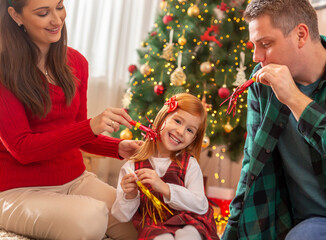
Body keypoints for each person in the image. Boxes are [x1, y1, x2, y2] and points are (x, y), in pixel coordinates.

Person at [0, 0, 142, 239]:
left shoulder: (76, 62)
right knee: (90, 217)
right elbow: (22, 148)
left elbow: (77, 135)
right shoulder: (4, 70)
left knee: (141, 220)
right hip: (17, 190)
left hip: (75, 179)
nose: (57, 20)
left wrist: (118, 147)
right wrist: (91, 126)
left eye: (59, 6)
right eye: (43, 13)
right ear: (16, 15)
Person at [222, 0, 326, 239]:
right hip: (301, 223)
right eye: (254, 45)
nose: (256, 57)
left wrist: (295, 99)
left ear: (300, 35)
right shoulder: (261, 85)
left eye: (265, 44)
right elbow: (251, 166)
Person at [111, 93, 219, 240]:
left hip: (190, 221)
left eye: (190, 130)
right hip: (154, 226)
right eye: (178, 121)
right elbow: (121, 216)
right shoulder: (132, 166)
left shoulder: (189, 164)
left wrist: (164, 188)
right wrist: (129, 195)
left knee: (189, 235)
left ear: (193, 139)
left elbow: (200, 204)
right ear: (162, 118)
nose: (181, 132)